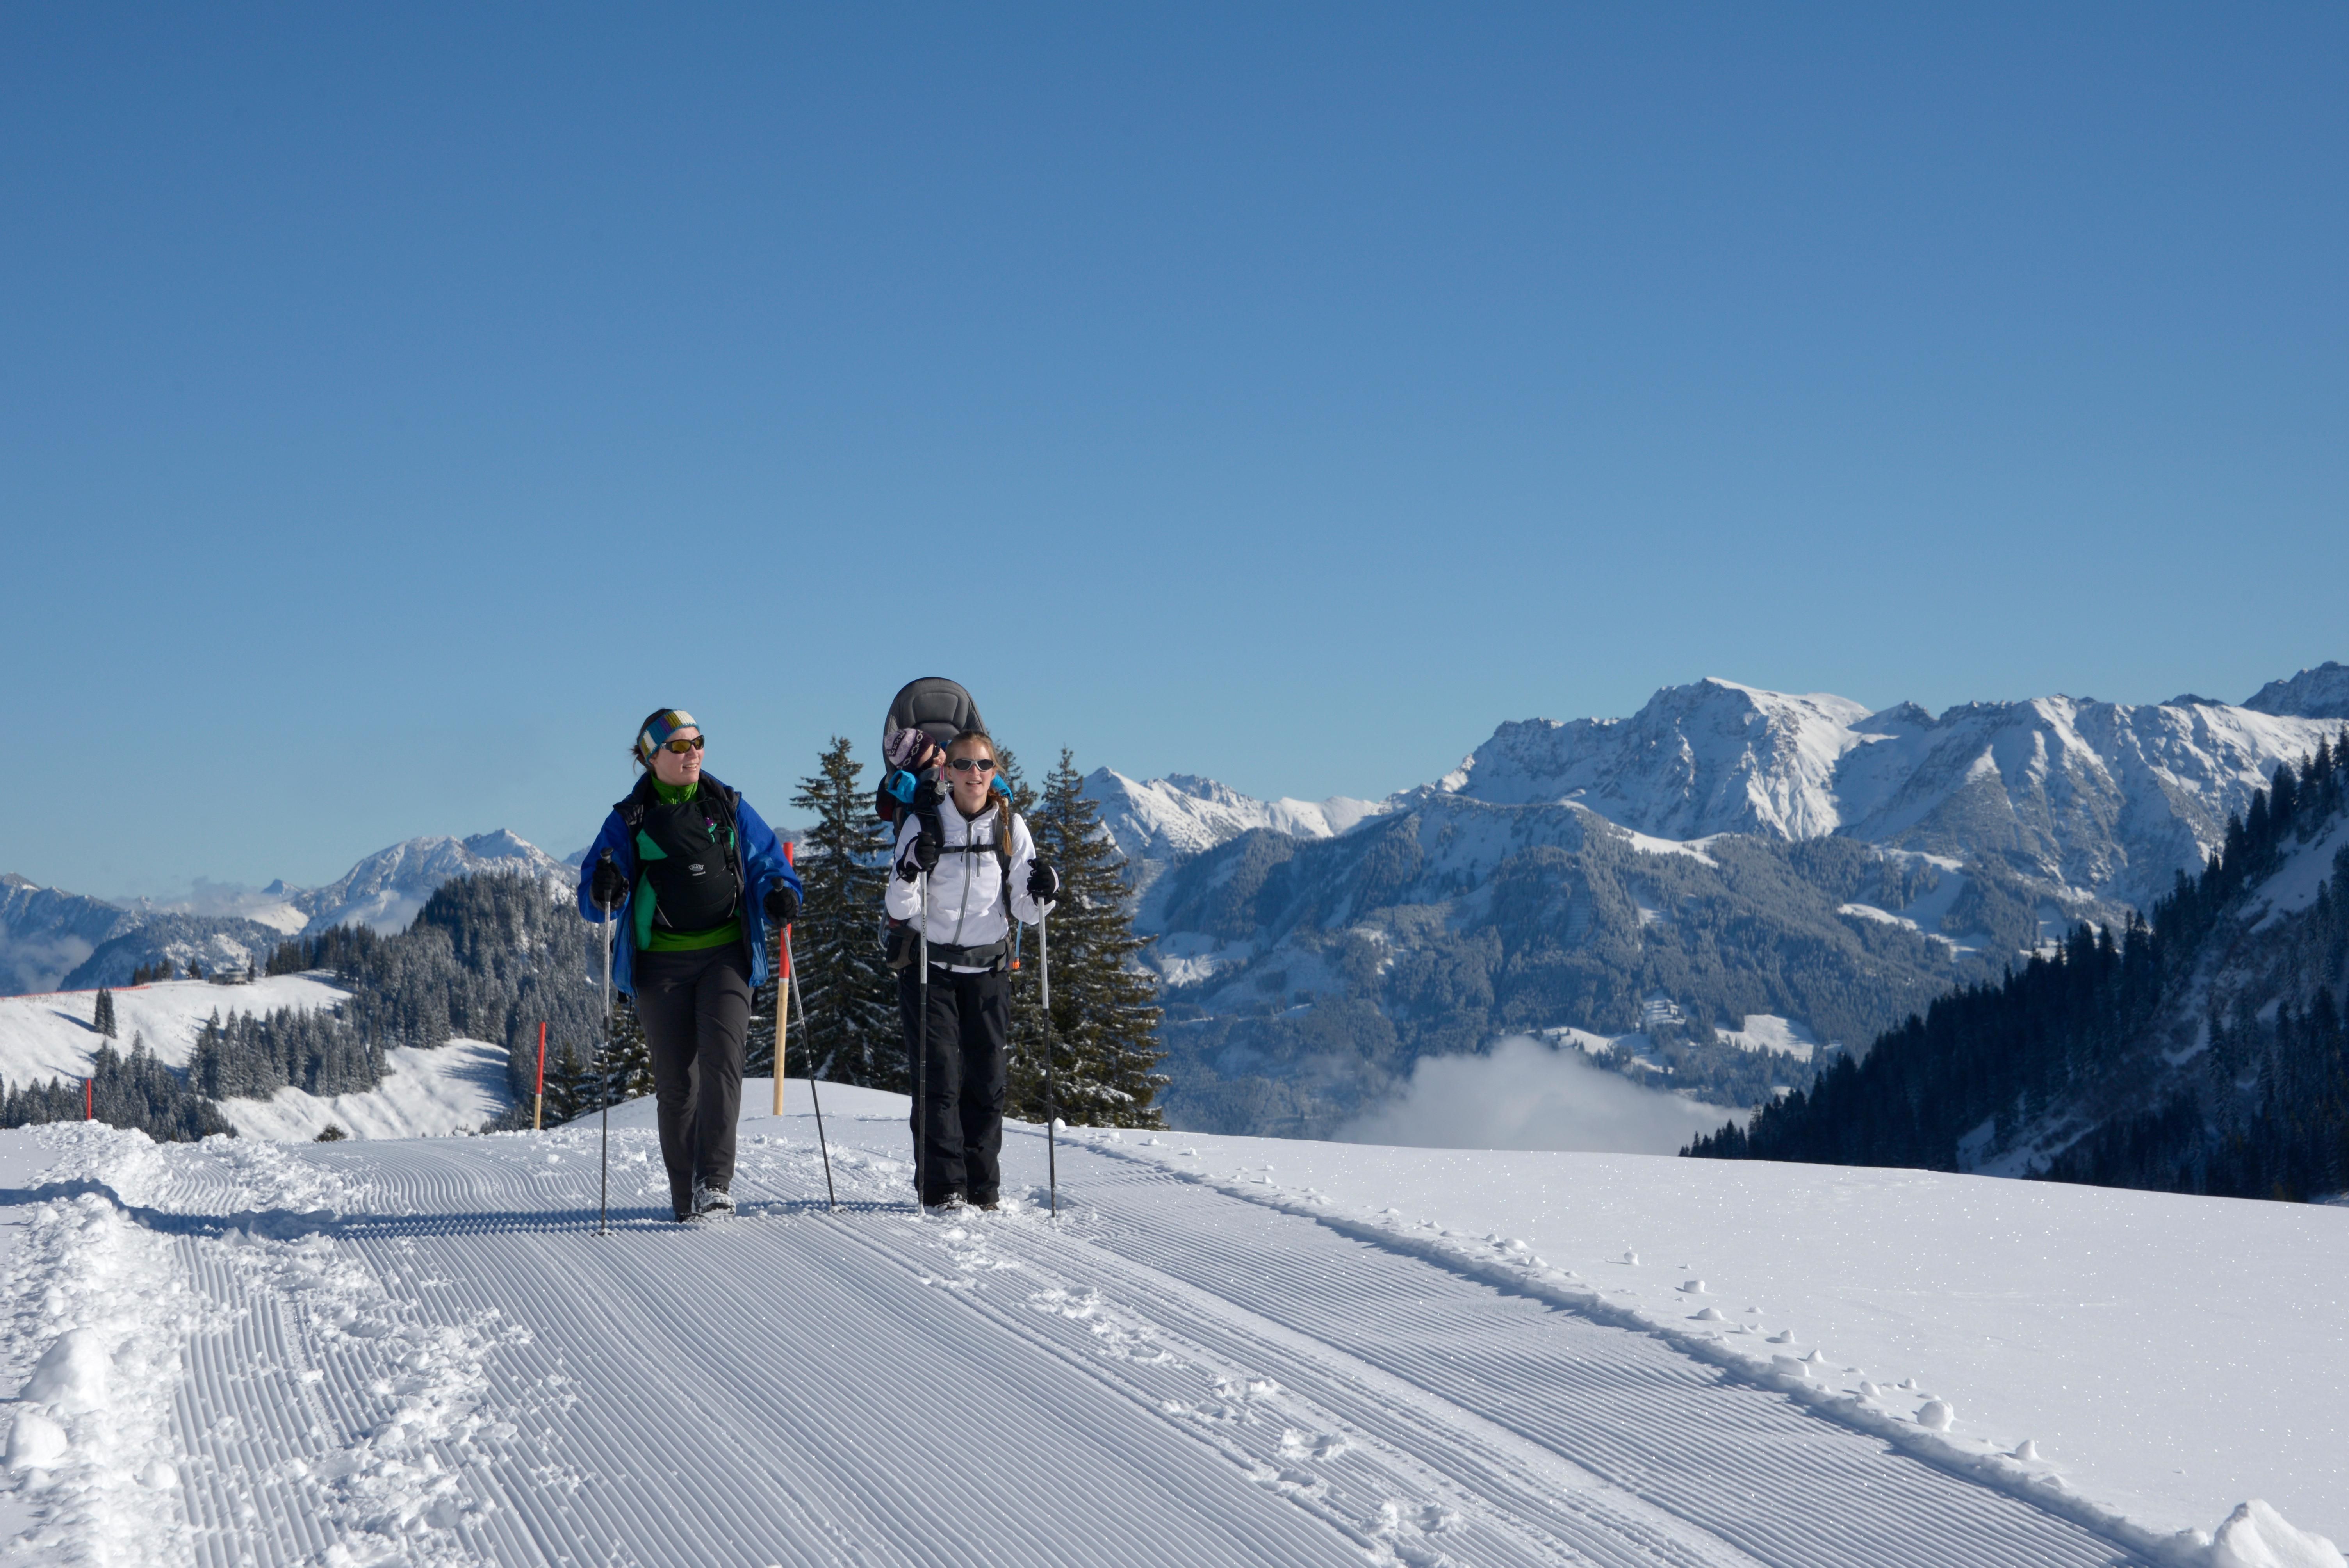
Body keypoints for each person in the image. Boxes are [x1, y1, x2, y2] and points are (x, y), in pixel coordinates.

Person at [579, 709, 801, 1221]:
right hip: (661, 966)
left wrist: (781, 893)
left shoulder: (727, 806)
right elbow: (594, 894)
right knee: (679, 1084)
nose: (693, 753)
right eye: (679, 747)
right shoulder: (629, 819)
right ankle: (687, 1200)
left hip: (727, 955)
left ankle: (715, 1186)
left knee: (723, 1063)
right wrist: (603, 888)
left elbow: (770, 861)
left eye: (698, 743)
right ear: (650, 757)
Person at [884, 728, 1060, 1208]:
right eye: (963, 765)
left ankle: (983, 1188)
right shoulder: (924, 823)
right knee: (937, 1080)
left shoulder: (1009, 826)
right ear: (946, 771)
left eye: (983, 765)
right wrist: (907, 870)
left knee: (986, 1081)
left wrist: (1048, 886)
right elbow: (898, 905)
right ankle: (943, 1189)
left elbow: (1025, 907)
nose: (973, 774)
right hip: (931, 967)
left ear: (995, 772)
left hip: (988, 970)